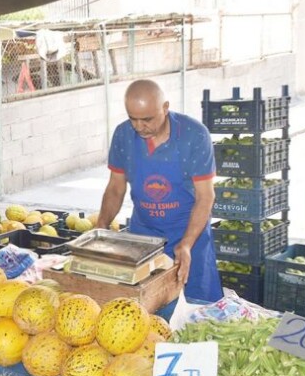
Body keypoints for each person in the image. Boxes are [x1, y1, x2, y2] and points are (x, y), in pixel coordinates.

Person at [95, 79, 223, 302]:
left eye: (147, 119)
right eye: (132, 118)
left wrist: (186, 245)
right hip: (143, 239)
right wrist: (101, 227)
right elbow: (116, 188)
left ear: (165, 108)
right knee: (145, 312)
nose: (139, 127)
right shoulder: (123, 135)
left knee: (196, 308)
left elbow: (205, 197)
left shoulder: (194, 136)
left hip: (189, 236)